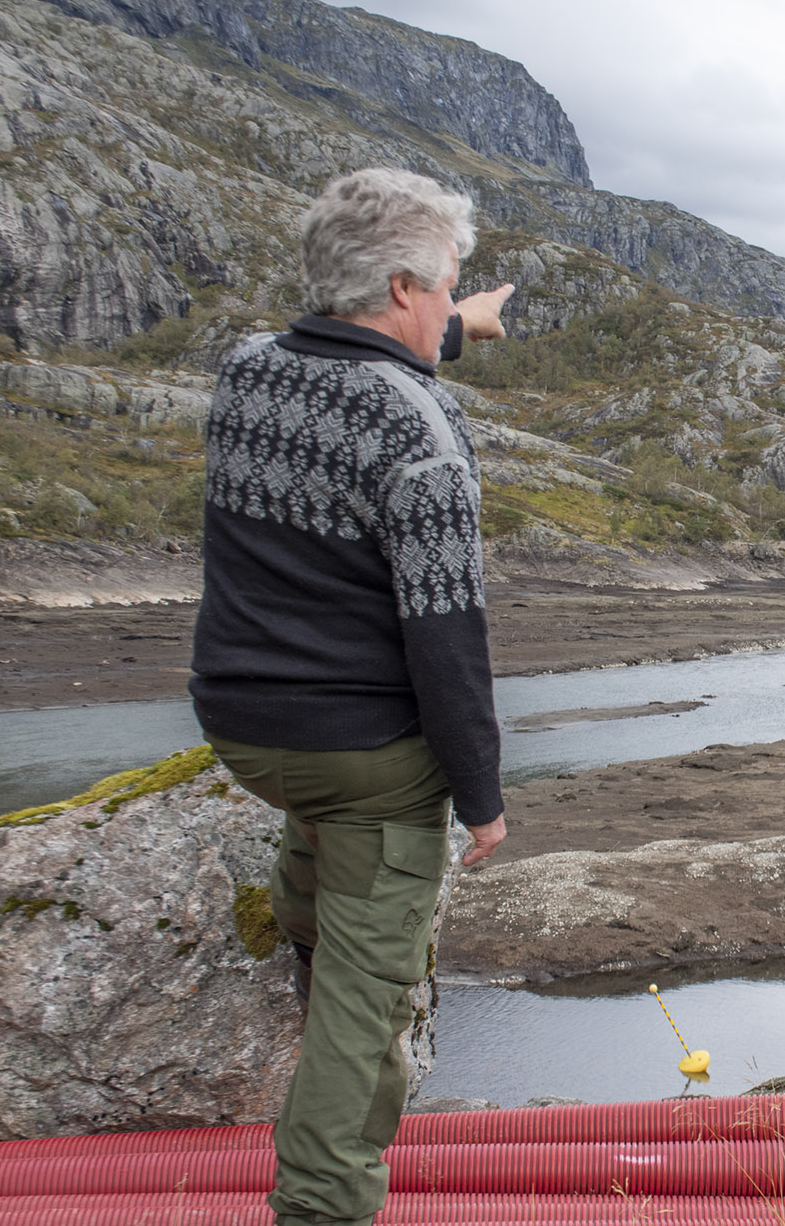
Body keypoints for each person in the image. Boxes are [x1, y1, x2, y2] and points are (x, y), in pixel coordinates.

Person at [189, 167, 516, 1226]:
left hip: (245, 729)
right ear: (402, 286)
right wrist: (480, 797)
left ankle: (308, 912)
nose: (449, 301)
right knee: (364, 1006)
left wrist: (459, 324)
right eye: (446, 286)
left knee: (327, 853)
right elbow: (447, 640)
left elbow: (352, 358)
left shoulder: (247, 369)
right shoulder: (425, 435)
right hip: (365, 755)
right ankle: (323, 1202)